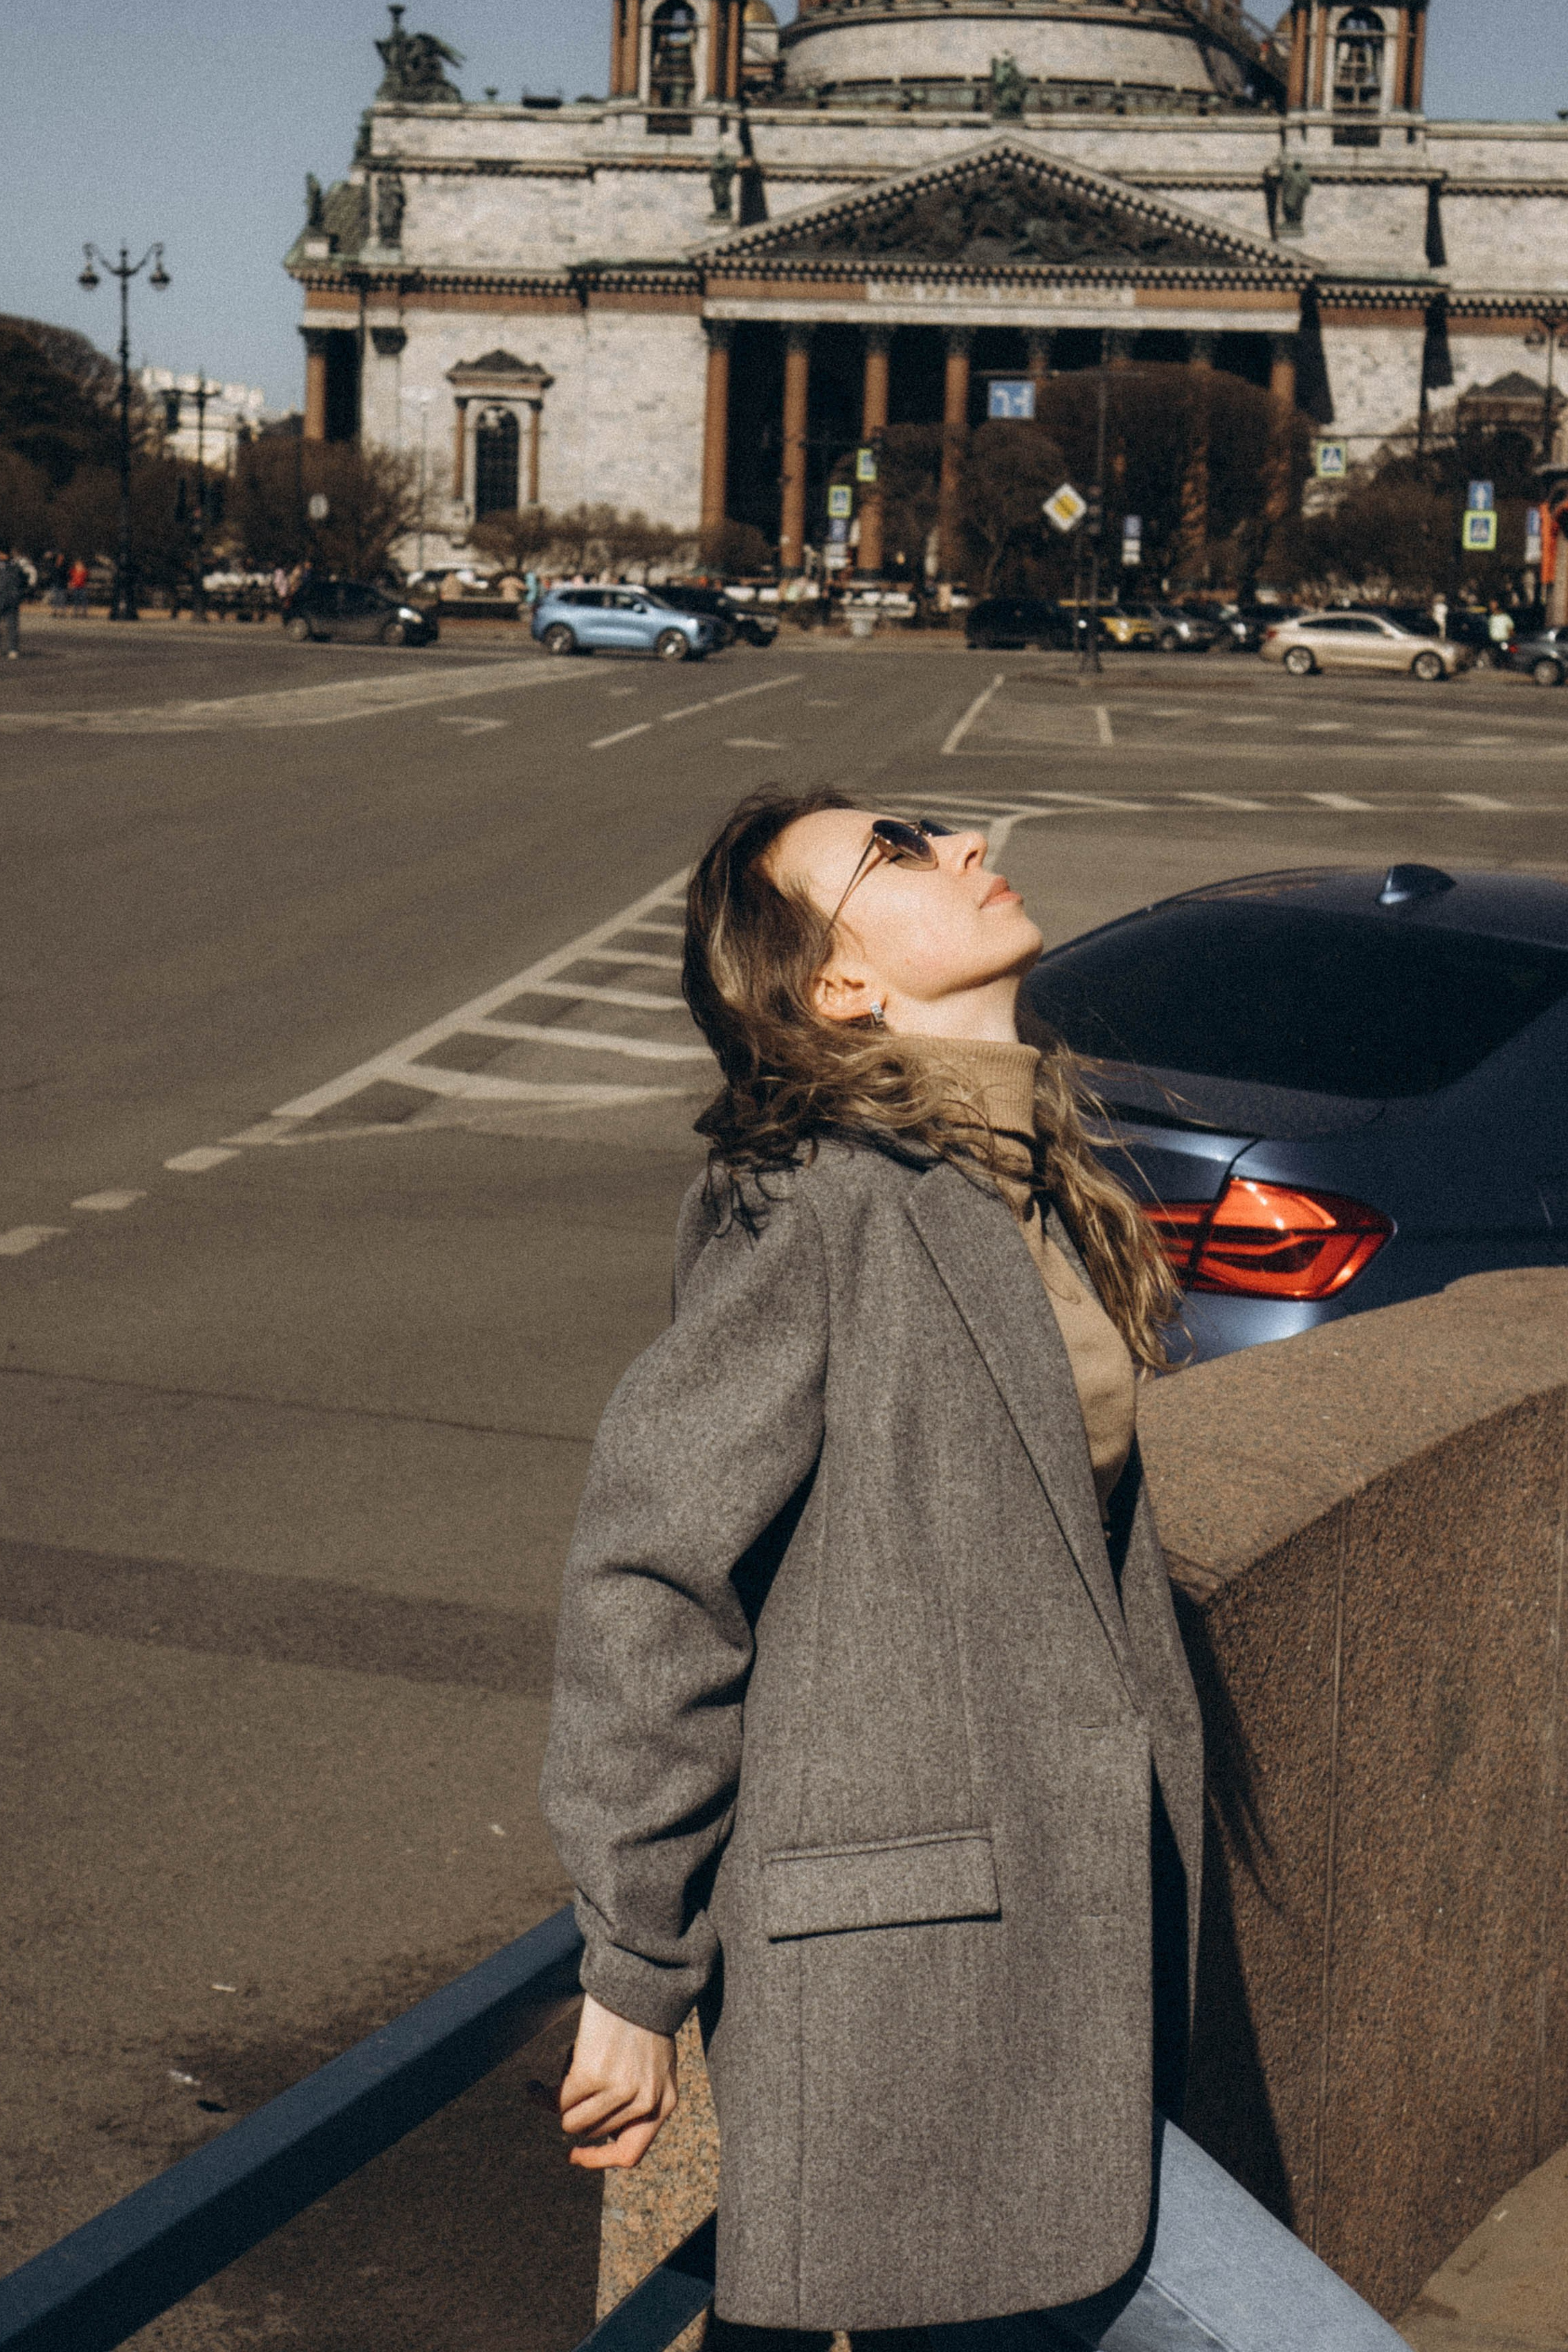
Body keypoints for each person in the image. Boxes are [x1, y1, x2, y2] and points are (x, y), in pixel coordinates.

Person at [541, 790, 1407, 2352]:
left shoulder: (1011, 1176)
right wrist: (632, 1959)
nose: (956, 844)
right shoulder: (808, 1199)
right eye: (894, 849)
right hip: (903, 2005)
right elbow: (652, 1568)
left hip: (1049, 1982)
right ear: (835, 989)